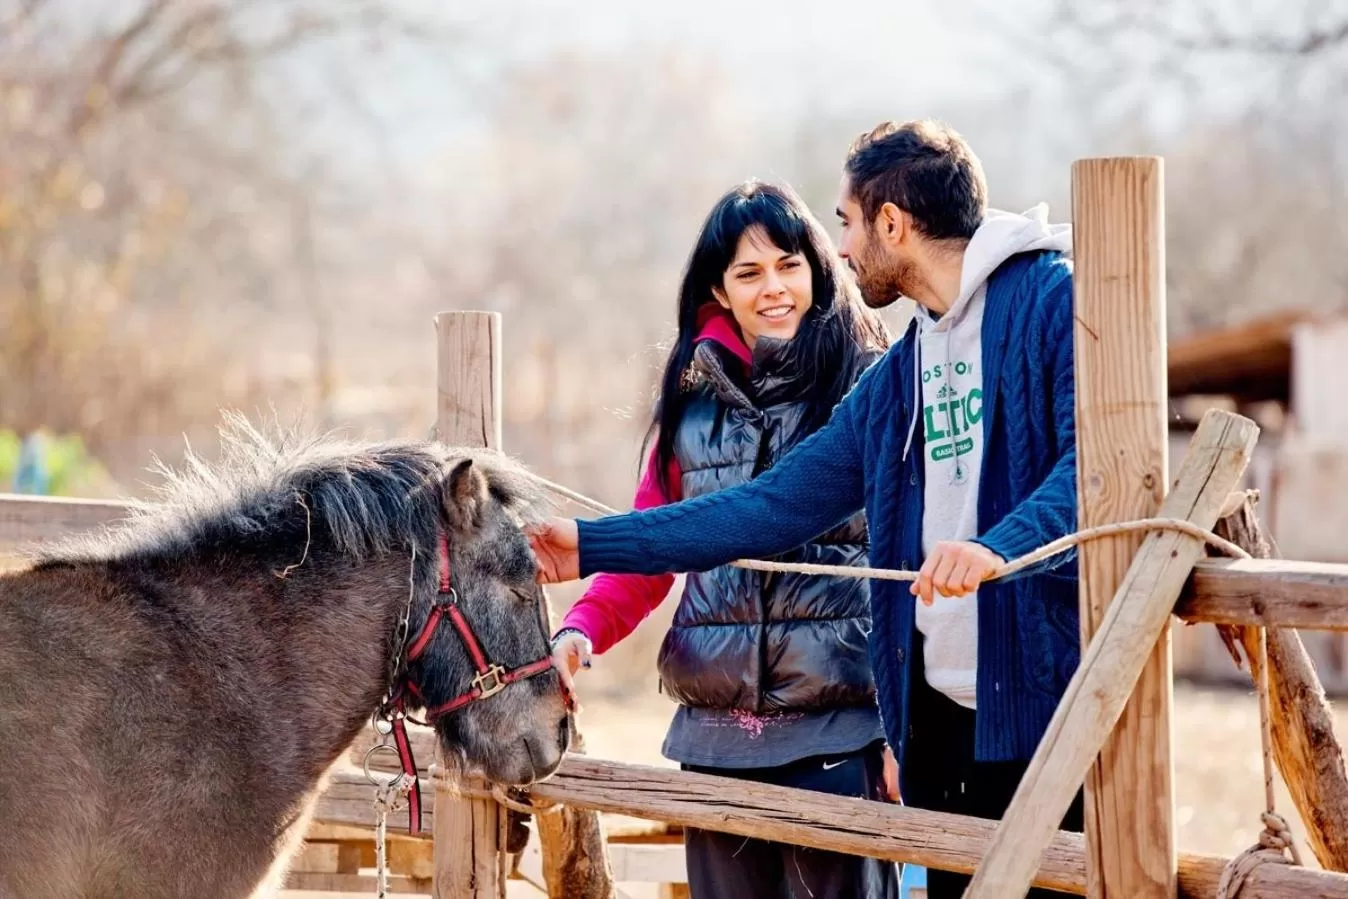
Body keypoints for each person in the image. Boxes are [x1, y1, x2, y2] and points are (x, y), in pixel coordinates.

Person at [530, 120, 1085, 899]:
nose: (843, 249)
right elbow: (765, 507)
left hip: (1041, 702)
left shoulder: (1049, 299)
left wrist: (1001, 545)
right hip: (939, 718)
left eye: (846, 224)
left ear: (892, 223)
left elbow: (1102, 462)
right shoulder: (904, 370)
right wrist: (590, 545)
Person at [548, 179, 900, 899]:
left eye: (788, 265)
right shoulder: (690, 405)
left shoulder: (871, 386)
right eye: (749, 272)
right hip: (713, 739)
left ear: (818, 269)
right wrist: (581, 629)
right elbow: (653, 549)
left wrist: (901, 727)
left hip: (837, 728)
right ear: (720, 288)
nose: (773, 288)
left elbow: (908, 558)